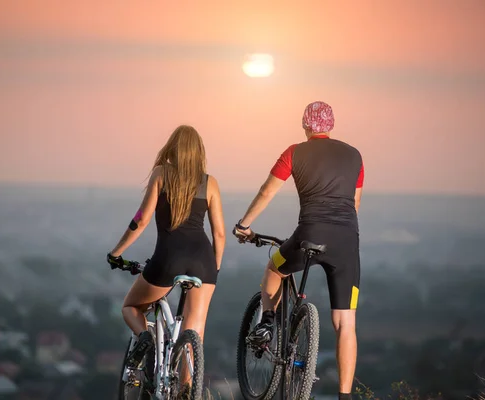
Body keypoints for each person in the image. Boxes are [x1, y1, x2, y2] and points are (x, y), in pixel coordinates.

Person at [233, 101, 364, 400]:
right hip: (346, 242)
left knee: (275, 268)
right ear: (331, 126)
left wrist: (245, 225)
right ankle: (345, 396)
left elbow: (267, 191)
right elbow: (355, 205)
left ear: (305, 125)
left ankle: (267, 323)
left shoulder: (295, 152)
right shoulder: (355, 155)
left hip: (309, 235)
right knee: (346, 322)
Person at [107, 125, 226, 371]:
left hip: (168, 259)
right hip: (204, 262)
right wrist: (214, 268)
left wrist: (116, 253)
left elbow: (141, 220)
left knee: (131, 307)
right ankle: (186, 393)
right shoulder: (210, 182)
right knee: (194, 336)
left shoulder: (161, 174)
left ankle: (145, 338)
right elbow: (220, 234)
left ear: (173, 148)